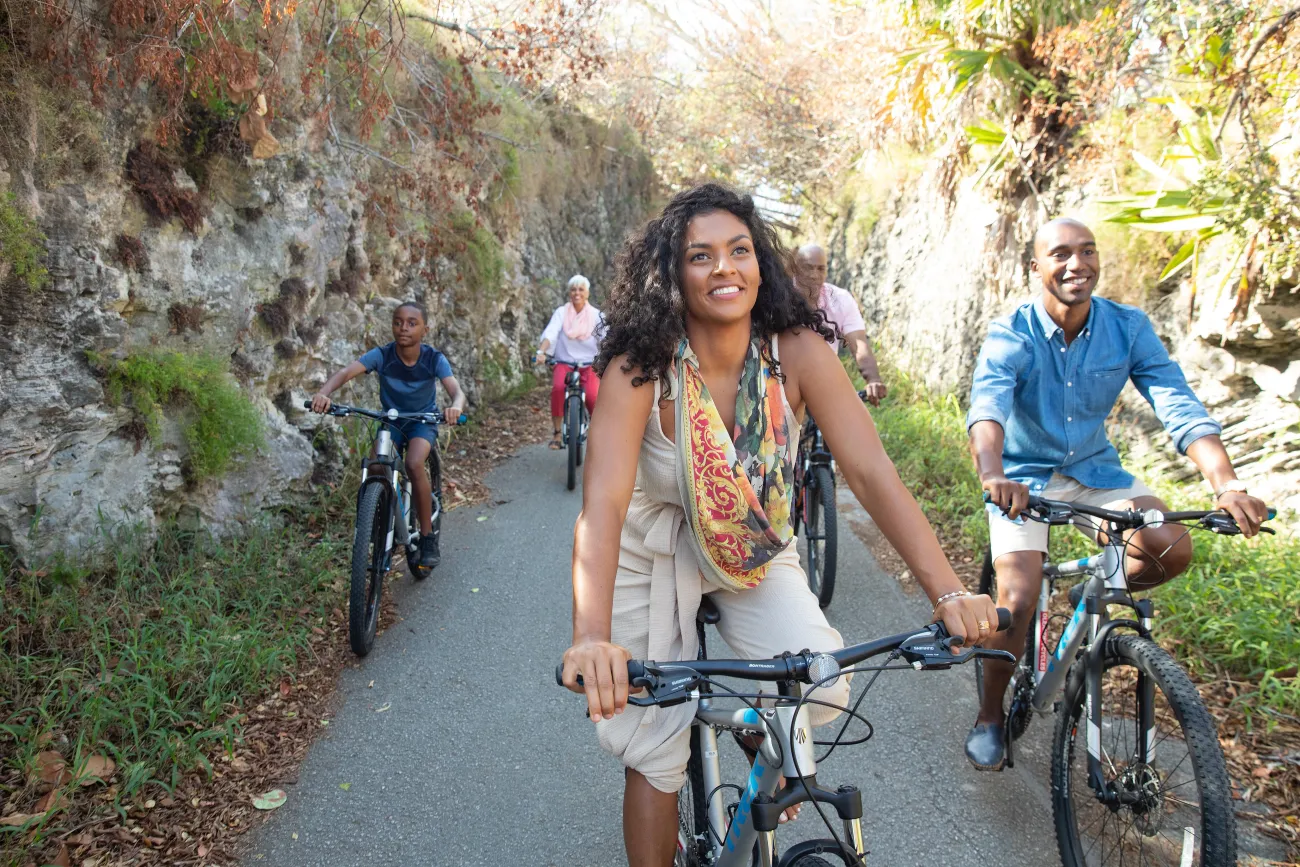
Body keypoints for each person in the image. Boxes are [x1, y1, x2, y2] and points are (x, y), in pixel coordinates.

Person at [558, 184, 997, 867]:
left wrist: (948, 593)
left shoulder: (797, 351)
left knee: (816, 682)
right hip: (654, 551)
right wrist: (591, 638)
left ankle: (757, 732)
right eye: (700, 256)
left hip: (756, 547)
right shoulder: (640, 365)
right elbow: (605, 505)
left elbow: (873, 471)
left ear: (761, 263)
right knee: (655, 745)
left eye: (739, 250)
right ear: (673, 273)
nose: (724, 268)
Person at [965, 217, 1270, 771]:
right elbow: (988, 406)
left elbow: (1176, 401)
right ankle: (989, 714)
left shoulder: (1127, 327)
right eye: (1060, 254)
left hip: (1095, 473)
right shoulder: (1014, 331)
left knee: (1168, 546)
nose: (1076, 264)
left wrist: (1228, 484)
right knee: (1017, 600)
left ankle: (1089, 625)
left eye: (1087, 252)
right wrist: (992, 473)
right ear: (1035, 267)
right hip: (1021, 480)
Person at [311, 301, 467, 568]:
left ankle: (428, 537)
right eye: (397, 322)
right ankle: (377, 519)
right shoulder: (382, 355)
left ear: (425, 329)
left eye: (411, 323)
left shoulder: (433, 359)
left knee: (414, 463)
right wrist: (324, 393)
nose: (403, 328)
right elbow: (346, 372)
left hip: (421, 422)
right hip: (392, 421)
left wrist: (455, 407)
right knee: (375, 466)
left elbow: (456, 390)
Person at [791, 243, 886, 405]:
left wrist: (873, 379)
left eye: (821, 269)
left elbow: (859, 343)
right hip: (785, 380)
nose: (814, 275)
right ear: (794, 269)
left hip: (823, 381)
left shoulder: (840, 299)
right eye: (808, 268)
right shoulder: (778, 297)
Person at [535, 275, 604, 449]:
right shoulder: (561, 312)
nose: (577, 293)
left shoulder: (597, 316)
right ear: (569, 293)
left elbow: (606, 338)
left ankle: (598, 436)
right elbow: (550, 334)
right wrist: (541, 352)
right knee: (558, 389)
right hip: (564, 362)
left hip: (590, 364)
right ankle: (557, 433)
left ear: (587, 293)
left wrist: (609, 356)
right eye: (573, 289)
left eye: (581, 289)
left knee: (592, 396)